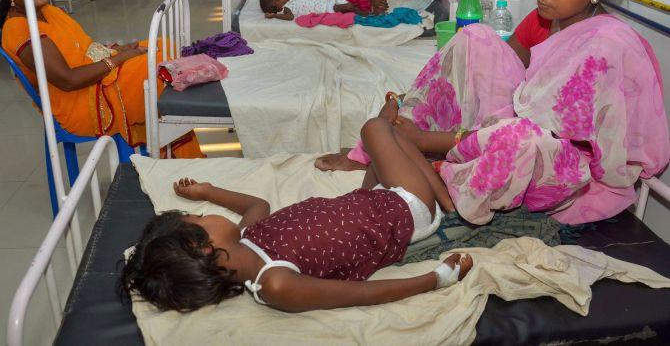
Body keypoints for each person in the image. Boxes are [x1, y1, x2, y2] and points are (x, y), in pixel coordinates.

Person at [316, 0, 669, 225]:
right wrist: (409, 98)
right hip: (515, 129)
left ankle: (428, 156)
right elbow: (504, 66)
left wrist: (436, 139)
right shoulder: (551, 19)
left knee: (523, 139)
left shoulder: (603, 45)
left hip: (568, 172)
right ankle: (395, 140)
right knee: (476, 37)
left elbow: (540, 130)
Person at [121, 117, 472, 313]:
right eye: (197, 217)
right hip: (405, 209)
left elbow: (257, 206)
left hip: (370, 199)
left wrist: (210, 192)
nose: (202, 213)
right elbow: (362, 294)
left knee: (391, 129)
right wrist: (438, 278)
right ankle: (442, 199)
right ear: (205, 248)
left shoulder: (248, 243)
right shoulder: (275, 282)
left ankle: (421, 168)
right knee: (377, 128)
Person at [0, 0, 203, 158]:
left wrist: (120, 49)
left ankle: (176, 157)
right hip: (79, 101)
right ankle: (185, 164)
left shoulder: (48, 11)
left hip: (95, 77)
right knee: (156, 70)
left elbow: (85, 48)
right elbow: (68, 80)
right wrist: (119, 59)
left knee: (164, 45)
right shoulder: (18, 29)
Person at [260, 0, 365, 20]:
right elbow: (289, 17)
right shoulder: (287, 8)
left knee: (342, 1)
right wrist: (275, 15)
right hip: (323, 8)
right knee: (340, 7)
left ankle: (364, 13)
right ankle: (350, 8)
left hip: (325, 1)